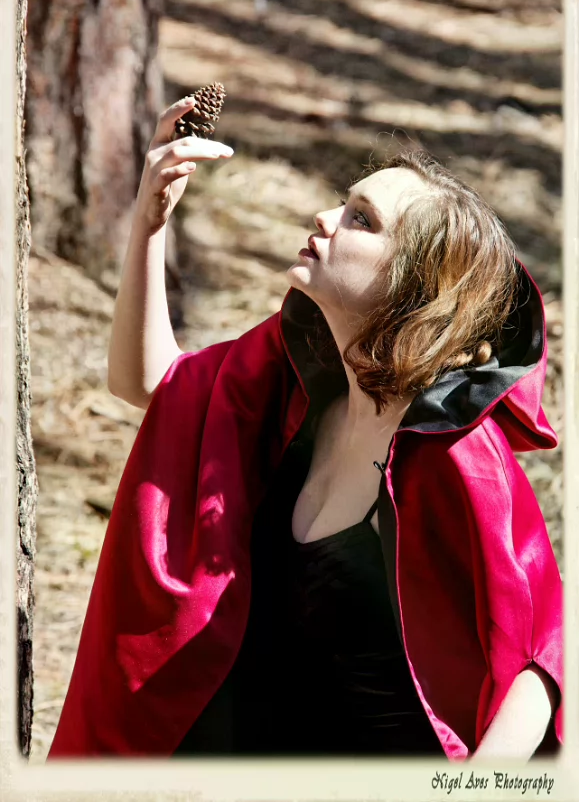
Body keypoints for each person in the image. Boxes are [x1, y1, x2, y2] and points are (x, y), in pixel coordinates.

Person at [48, 96, 563, 761]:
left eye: (361, 220)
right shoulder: (293, 380)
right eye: (344, 204)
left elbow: (538, 658)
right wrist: (151, 219)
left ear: (415, 288)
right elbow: (148, 382)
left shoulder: (453, 449)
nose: (324, 217)